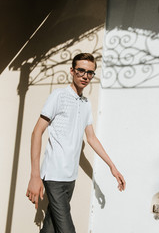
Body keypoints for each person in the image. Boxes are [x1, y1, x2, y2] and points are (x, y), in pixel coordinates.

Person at [26, 53, 126, 233]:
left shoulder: (86, 104)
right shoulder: (59, 96)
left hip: (70, 178)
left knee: (50, 227)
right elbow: (37, 132)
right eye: (81, 71)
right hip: (54, 176)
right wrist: (35, 175)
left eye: (90, 72)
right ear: (72, 71)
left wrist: (113, 166)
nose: (85, 76)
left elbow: (91, 138)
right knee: (67, 230)